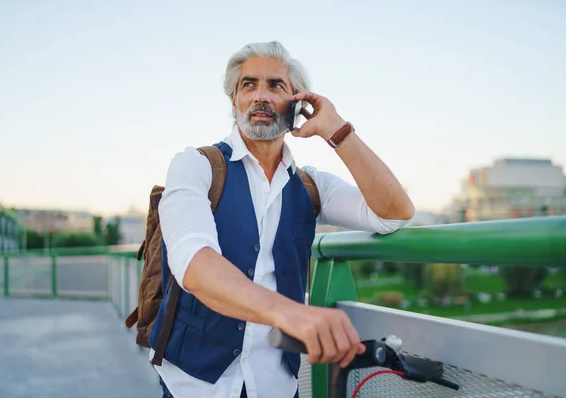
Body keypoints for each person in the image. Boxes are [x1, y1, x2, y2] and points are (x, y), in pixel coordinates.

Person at [151, 41, 415, 398]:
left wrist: (336, 129)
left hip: (275, 385)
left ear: (297, 103)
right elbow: (193, 263)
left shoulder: (310, 185)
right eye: (249, 85)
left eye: (276, 86)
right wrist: (291, 314)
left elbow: (393, 214)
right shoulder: (195, 165)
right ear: (234, 100)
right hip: (193, 385)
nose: (261, 95)